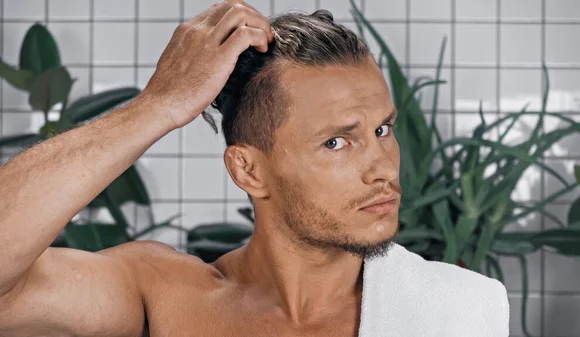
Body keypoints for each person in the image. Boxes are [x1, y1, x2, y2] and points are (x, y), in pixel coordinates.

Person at [0, 1, 508, 336]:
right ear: (248, 171)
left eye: (382, 130)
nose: (383, 168)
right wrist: (158, 105)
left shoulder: (458, 310)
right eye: (337, 141)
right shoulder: (162, 295)